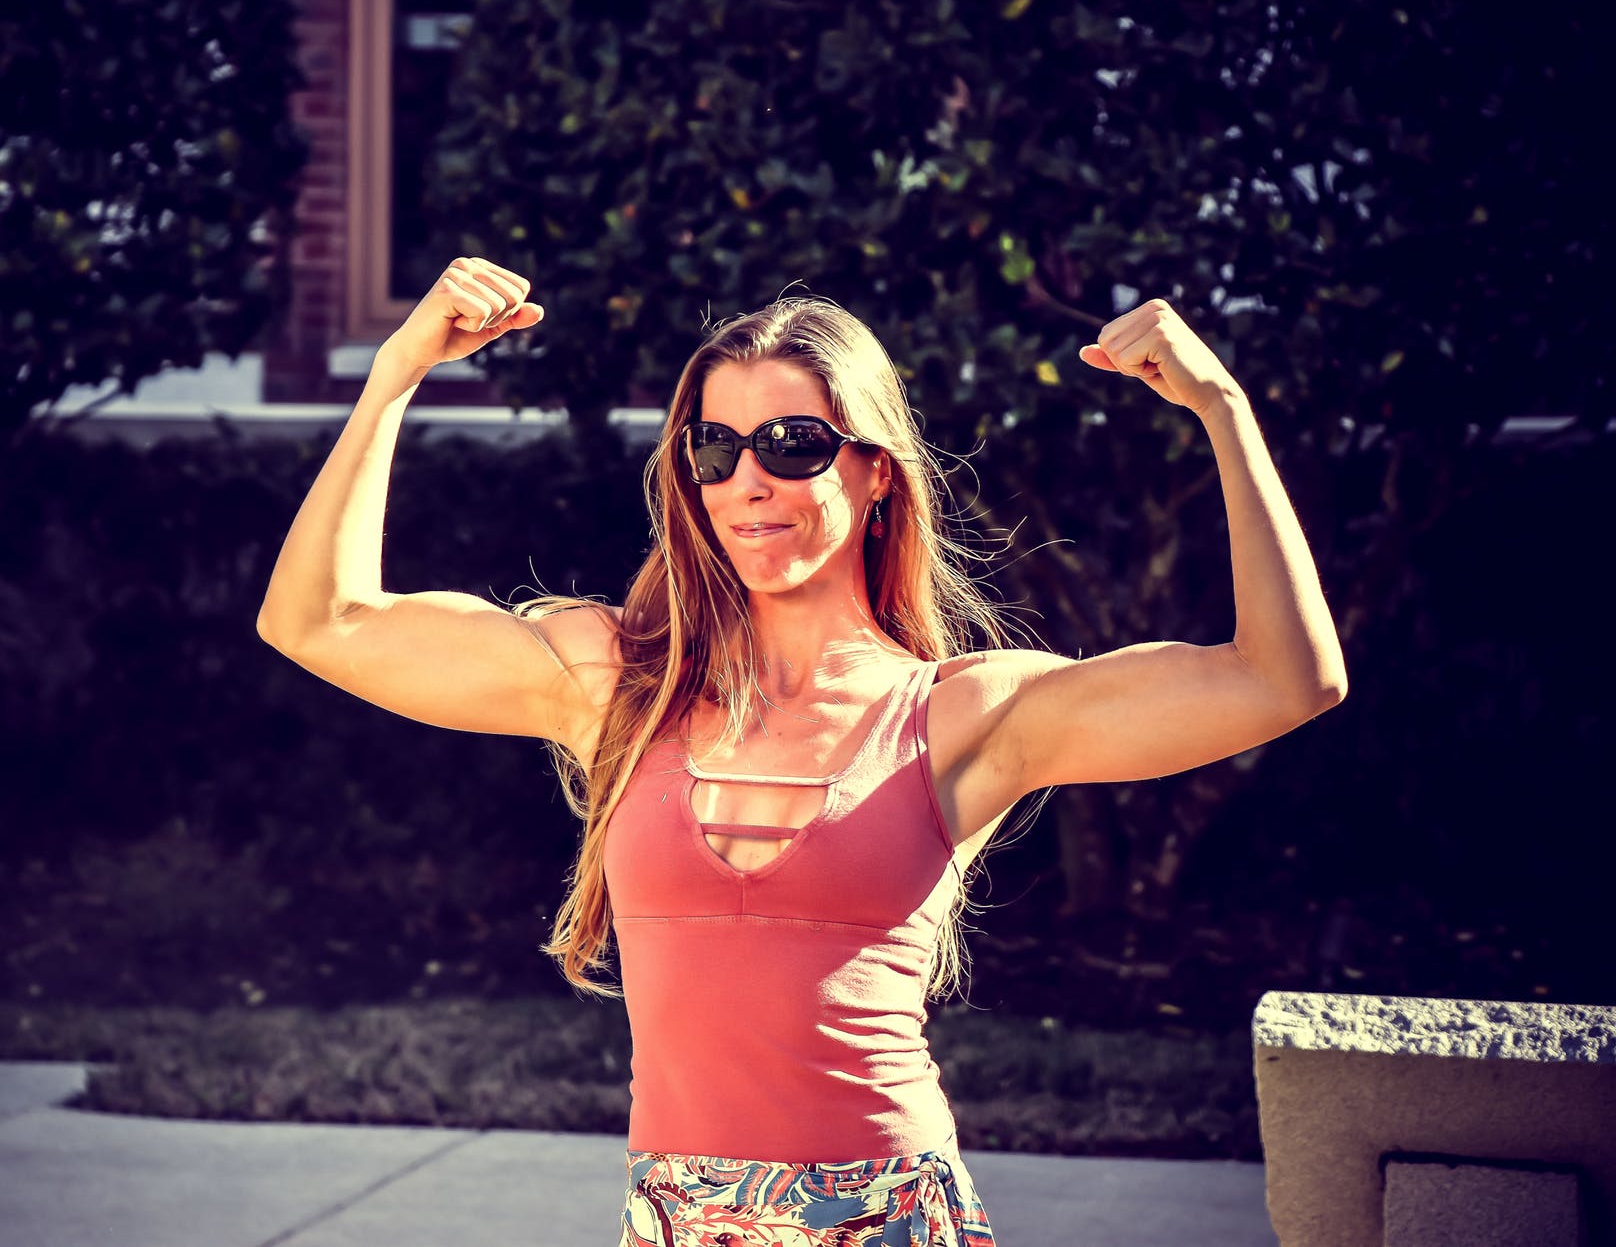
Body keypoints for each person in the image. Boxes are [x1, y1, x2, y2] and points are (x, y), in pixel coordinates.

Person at [257, 256, 1346, 1245]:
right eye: (714, 448)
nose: (748, 481)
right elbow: (318, 622)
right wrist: (396, 372)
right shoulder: (616, 684)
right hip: (678, 1224)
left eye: (792, 445)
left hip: (886, 1219)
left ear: (877, 473)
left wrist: (1222, 407)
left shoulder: (960, 716)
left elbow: (1282, 680)